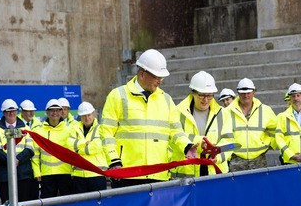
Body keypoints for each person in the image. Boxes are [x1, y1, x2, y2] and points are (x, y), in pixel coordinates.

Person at [100, 49, 198, 187]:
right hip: (127, 174)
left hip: (158, 174)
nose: (160, 81)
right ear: (141, 74)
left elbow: (176, 131)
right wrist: (113, 160)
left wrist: (187, 146)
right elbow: (106, 132)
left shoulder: (166, 99)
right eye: (157, 77)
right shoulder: (117, 96)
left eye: (161, 77)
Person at [171, 71, 234, 177]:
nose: (206, 100)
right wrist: (197, 142)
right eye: (202, 95)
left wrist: (217, 155)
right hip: (187, 174)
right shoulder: (178, 112)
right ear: (193, 93)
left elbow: (229, 142)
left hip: (215, 173)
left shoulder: (223, 114)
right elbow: (173, 137)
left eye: (209, 96)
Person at [0, 99, 37, 203]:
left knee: (24, 204)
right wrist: (12, 161)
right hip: (4, 174)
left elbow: (30, 149)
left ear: (17, 111)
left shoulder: (25, 128)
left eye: (13, 111)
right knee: (7, 205)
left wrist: (18, 160)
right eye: (8, 111)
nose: (11, 114)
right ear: (3, 113)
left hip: (23, 173)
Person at [227, 77, 276, 171]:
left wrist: (268, 145)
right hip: (236, 160)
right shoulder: (227, 112)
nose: (246, 96)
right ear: (237, 93)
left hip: (259, 160)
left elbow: (276, 130)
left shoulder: (265, 110)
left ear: (254, 92)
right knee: (238, 185)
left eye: (248, 93)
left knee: (259, 185)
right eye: (242, 93)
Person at [32, 99, 73, 198]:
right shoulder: (38, 131)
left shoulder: (70, 129)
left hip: (65, 172)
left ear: (61, 112)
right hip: (47, 174)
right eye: (52, 110)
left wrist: (73, 171)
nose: (55, 113)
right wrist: (37, 172)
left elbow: (73, 153)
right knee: (48, 204)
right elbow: (35, 154)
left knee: (68, 202)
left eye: (57, 110)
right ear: (47, 112)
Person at [68, 102, 108, 193]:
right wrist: (86, 142)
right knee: (82, 205)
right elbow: (69, 145)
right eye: (83, 116)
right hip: (79, 175)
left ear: (93, 114)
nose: (86, 118)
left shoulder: (101, 128)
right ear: (80, 117)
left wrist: (78, 149)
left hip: (96, 173)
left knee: (98, 205)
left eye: (88, 115)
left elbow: (97, 146)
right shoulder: (75, 128)